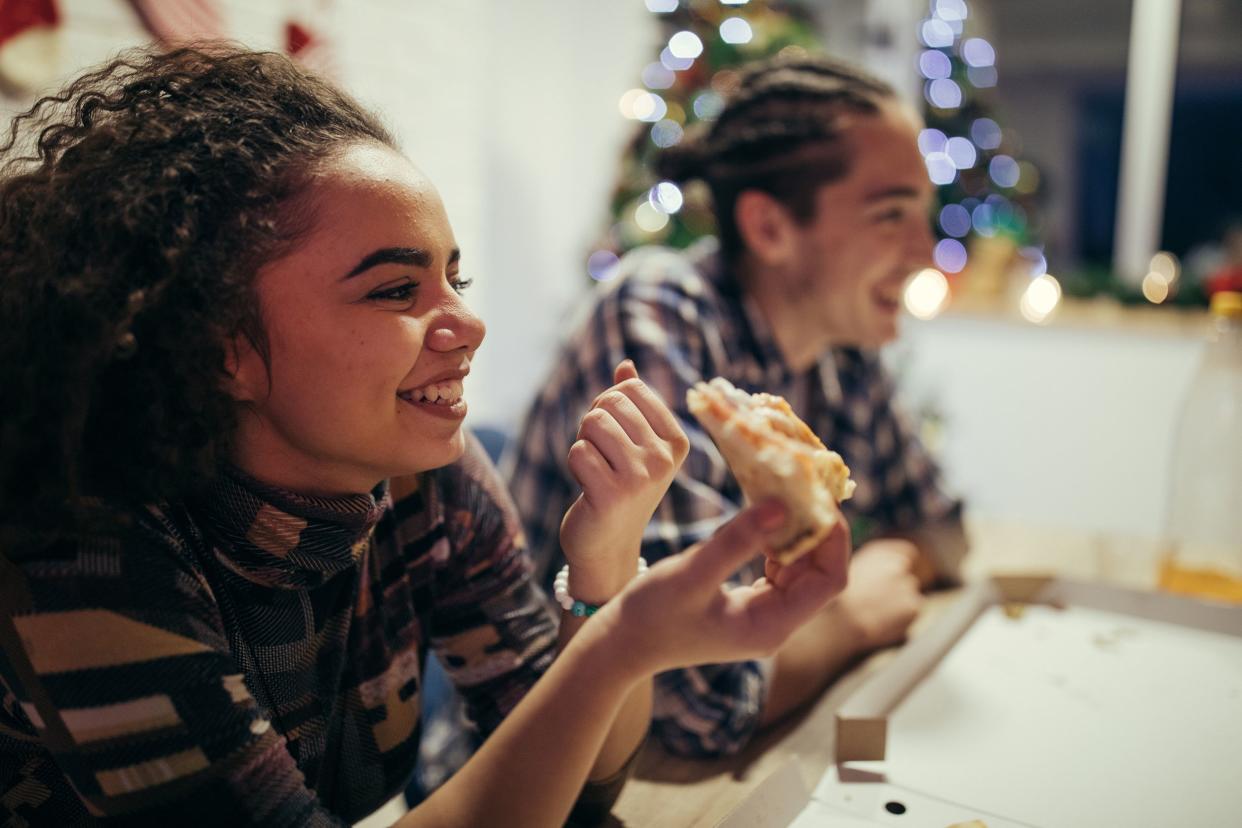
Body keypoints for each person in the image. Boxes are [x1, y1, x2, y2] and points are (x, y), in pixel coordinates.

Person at [0, 46, 851, 826]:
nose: (468, 323)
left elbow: (582, 794)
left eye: (454, 277)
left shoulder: (420, 475)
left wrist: (606, 570)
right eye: (394, 291)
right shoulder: (80, 549)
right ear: (222, 350)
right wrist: (617, 646)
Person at [508, 53, 969, 758]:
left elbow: (943, 530)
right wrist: (852, 619)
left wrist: (889, 562)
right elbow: (687, 690)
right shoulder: (658, 311)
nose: (924, 251)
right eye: (891, 215)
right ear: (770, 228)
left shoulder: (843, 345)